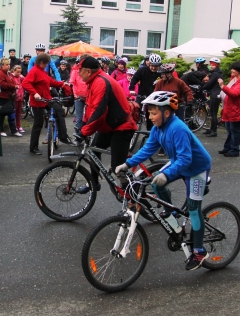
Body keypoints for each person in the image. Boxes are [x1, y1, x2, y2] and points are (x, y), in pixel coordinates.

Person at [114, 91, 212, 271]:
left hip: (196, 168)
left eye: (153, 113)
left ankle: (199, 251)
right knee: (154, 183)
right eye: (149, 113)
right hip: (179, 163)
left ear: (166, 113)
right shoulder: (157, 129)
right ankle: (171, 213)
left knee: (193, 209)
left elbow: (186, 159)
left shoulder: (178, 128)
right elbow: (147, 150)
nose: (150, 117)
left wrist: (166, 175)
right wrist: (127, 164)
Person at [74, 56, 137, 193]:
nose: (78, 74)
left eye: (80, 71)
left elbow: (99, 112)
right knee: (94, 151)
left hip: (122, 127)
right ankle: (94, 183)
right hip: (110, 125)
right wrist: (83, 125)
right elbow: (90, 108)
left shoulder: (101, 82)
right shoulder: (94, 81)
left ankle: (132, 198)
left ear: (88, 71)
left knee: (118, 167)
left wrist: (84, 132)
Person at [22, 53, 73, 155]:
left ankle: (63, 136)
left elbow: (50, 81)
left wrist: (62, 84)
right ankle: (33, 147)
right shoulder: (34, 71)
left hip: (47, 99)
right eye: (46, 64)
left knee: (59, 111)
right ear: (41, 63)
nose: (47, 66)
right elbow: (25, 83)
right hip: (38, 101)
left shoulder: (42, 71)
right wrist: (35, 93)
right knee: (38, 124)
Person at [218, 62, 240, 157]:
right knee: (229, 128)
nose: (231, 70)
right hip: (231, 108)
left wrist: (222, 86)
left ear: (239, 71)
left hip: (238, 109)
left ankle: (235, 150)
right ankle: (228, 148)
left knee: (235, 130)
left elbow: (234, 93)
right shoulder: (234, 79)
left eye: (234, 69)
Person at [129, 53, 161, 130]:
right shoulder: (142, 70)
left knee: (151, 115)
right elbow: (134, 79)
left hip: (154, 97)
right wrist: (132, 89)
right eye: (152, 65)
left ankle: (150, 132)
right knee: (135, 111)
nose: (153, 68)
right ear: (149, 63)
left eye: (156, 66)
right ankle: (131, 127)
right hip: (142, 94)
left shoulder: (161, 73)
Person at [0, 57, 22, 137]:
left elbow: (12, 81)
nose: (8, 66)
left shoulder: (9, 73)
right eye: (6, 64)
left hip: (10, 97)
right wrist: (13, 86)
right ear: (2, 65)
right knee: (2, 114)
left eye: (9, 64)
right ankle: (1, 130)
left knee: (11, 113)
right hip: (2, 96)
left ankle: (13, 130)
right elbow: (1, 84)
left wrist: (14, 86)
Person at [201, 57, 223, 137]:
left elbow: (210, 83)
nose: (211, 66)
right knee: (212, 112)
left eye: (213, 65)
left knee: (213, 113)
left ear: (217, 65)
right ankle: (211, 129)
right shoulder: (216, 73)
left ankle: (214, 131)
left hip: (215, 94)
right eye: (211, 64)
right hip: (214, 93)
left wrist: (202, 87)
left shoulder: (215, 74)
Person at [70, 57, 89, 126]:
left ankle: (86, 133)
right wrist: (75, 94)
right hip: (78, 96)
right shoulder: (75, 72)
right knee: (79, 117)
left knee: (88, 117)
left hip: (88, 96)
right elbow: (73, 83)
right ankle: (78, 134)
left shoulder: (88, 71)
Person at [12, 64, 26, 133]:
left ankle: (18, 125)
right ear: (14, 71)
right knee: (14, 112)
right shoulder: (12, 77)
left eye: (20, 72)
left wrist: (22, 76)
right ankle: (14, 126)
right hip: (15, 97)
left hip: (21, 97)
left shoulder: (20, 77)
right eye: (17, 72)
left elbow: (26, 81)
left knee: (18, 112)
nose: (19, 73)